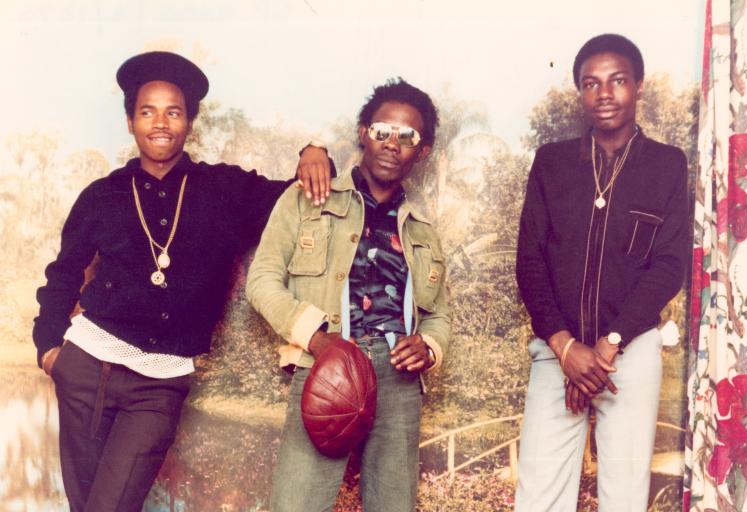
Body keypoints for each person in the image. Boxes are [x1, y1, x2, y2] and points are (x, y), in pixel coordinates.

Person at [32, 51, 333, 511]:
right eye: (147, 111)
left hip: (159, 383)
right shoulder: (102, 195)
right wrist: (51, 350)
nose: (160, 123)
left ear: (189, 121)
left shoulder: (225, 190)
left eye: (173, 111)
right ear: (130, 121)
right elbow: (63, 276)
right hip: (86, 369)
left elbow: (296, 197)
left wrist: (313, 153)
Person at [246, 78, 451, 512]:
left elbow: (438, 316)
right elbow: (261, 281)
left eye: (407, 136)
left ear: (423, 150)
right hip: (325, 367)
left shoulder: (423, 232)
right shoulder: (307, 199)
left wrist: (428, 348)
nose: (392, 144)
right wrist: (321, 344)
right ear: (363, 133)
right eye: (382, 131)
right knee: (296, 505)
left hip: (398, 379)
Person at [514, 34, 689, 511]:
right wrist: (567, 347)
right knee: (539, 495)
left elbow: (669, 265)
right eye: (591, 83)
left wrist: (606, 347)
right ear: (580, 92)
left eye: (617, 81)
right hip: (557, 349)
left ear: (638, 87)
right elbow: (530, 260)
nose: (605, 93)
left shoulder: (666, 165)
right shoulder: (552, 163)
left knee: (624, 495)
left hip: (628, 352)